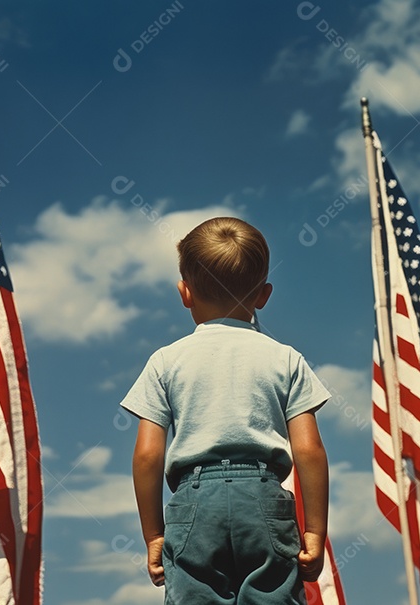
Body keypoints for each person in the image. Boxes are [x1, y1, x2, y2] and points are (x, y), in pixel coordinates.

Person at [120, 217, 330, 604]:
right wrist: (315, 531)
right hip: (264, 500)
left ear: (185, 293)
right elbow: (309, 450)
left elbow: (148, 455)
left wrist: (154, 535)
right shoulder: (287, 359)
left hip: (194, 503)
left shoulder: (165, 361)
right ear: (263, 295)